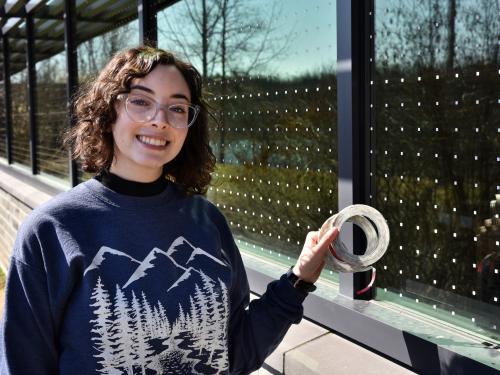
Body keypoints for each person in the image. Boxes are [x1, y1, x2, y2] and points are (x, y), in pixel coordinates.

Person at [0, 46, 338, 375]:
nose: (159, 120)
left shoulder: (206, 221)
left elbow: (237, 352)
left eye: (177, 108)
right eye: (141, 101)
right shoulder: (53, 230)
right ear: (108, 111)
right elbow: (22, 363)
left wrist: (299, 279)